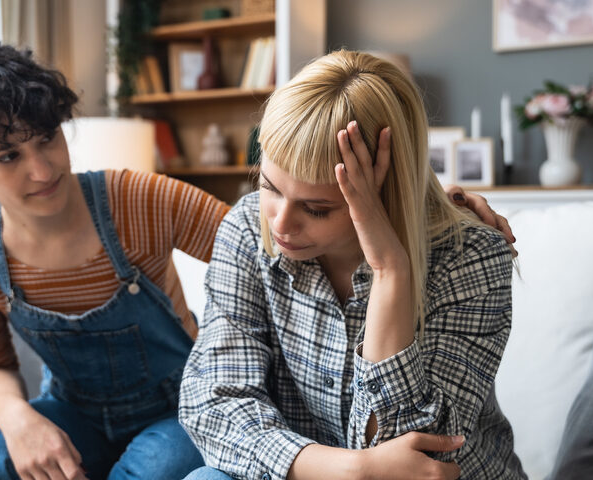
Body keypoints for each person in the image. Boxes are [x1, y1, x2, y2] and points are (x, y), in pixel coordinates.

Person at [0, 35, 515, 480]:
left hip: (173, 404)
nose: (42, 169)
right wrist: (18, 419)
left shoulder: (133, 197)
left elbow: (417, 458)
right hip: (79, 405)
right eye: (8, 157)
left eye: (47, 140)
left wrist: (408, 240)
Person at [179, 50, 526, 480]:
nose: (281, 222)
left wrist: (390, 270)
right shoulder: (248, 229)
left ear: (385, 191)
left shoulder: (470, 256)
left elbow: (420, 461)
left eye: (317, 208)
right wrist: (353, 469)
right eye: (270, 186)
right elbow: (215, 403)